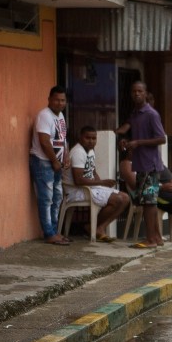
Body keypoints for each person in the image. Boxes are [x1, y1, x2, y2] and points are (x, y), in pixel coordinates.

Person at [121, 81, 167, 248]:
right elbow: (132, 134)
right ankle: (157, 238)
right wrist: (127, 142)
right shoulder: (135, 114)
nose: (136, 94)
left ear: (145, 93)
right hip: (141, 164)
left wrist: (139, 143)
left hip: (150, 165)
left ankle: (151, 239)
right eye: (133, 91)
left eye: (140, 91)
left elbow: (162, 138)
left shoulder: (151, 114)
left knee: (149, 203)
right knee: (149, 202)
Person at [64, 126, 130, 242]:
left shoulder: (90, 151)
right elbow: (78, 180)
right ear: (80, 137)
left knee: (125, 198)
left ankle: (97, 227)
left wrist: (101, 185)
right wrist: (102, 182)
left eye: (94, 138)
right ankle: (95, 228)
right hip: (77, 190)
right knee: (117, 199)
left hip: (90, 187)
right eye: (87, 138)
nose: (91, 141)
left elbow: (93, 172)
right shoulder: (78, 152)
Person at [29, 85, 71, 246]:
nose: (60, 103)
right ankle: (49, 233)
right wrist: (54, 161)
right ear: (49, 100)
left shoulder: (60, 116)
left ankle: (55, 231)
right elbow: (44, 141)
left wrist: (65, 156)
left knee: (57, 197)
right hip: (43, 162)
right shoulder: (44, 116)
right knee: (46, 199)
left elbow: (62, 139)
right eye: (57, 100)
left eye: (63, 100)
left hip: (56, 164)